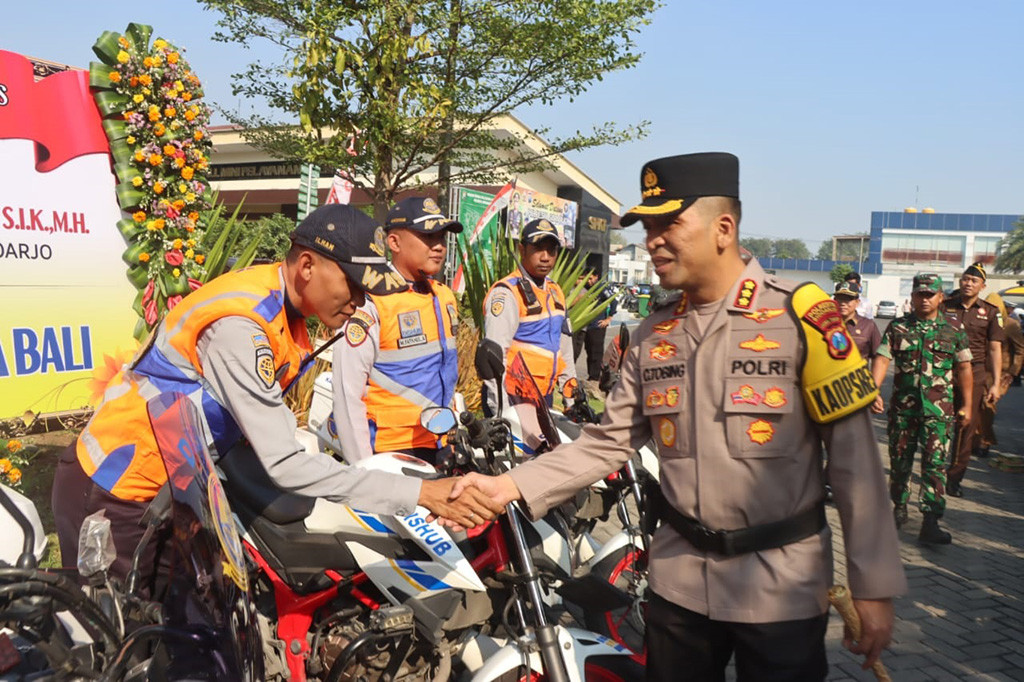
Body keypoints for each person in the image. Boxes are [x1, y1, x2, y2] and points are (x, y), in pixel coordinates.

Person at [453, 152, 905, 680]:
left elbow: (856, 464)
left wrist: (872, 584)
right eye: (647, 227)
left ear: (724, 227)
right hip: (679, 585)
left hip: (782, 587)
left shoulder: (802, 318)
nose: (653, 240)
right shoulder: (654, 334)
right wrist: (506, 486)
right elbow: (605, 442)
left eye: (669, 223)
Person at [51, 204, 502, 593]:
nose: (360, 302)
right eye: (353, 286)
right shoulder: (242, 325)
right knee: (118, 638)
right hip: (116, 490)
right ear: (307, 266)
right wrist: (420, 493)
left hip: (172, 491)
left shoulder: (287, 311)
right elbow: (285, 462)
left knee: (175, 630)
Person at [331, 197, 463, 466]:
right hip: (389, 451)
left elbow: (446, 373)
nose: (438, 245)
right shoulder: (370, 302)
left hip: (441, 444)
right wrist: (365, 471)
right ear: (394, 242)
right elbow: (347, 395)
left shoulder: (444, 296)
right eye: (427, 236)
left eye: (441, 236)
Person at [870, 274, 972, 544]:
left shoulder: (954, 330)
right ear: (913, 297)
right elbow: (882, 358)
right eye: (920, 294)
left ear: (941, 297)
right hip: (904, 410)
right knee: (900, 461)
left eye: (930, 294)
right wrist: (873, 391)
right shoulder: (898, 327)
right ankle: (899, 508)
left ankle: (930, 521)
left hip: (939, 413)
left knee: (935, 465)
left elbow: (964, 368)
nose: (924, 299)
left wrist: (968, 405)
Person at [481, 218, 578, 452]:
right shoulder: (506, 294)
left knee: (546, 468)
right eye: (538, 249)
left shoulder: (555, 292)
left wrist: (571, 399)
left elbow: (563, 350)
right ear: (522, 249)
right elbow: (495, 358)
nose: (546, 257)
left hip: (544, 399)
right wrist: (501, 413)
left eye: (551, 250)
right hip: (513, 399)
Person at [942, 262, 1004, 496]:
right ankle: (935, 471)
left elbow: (995, 349)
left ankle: (954, 477)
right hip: (944, 370)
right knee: (936, 421)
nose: (968, 283)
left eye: (974, 281)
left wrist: (995, 383)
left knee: (966, 426)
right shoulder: (944, 306)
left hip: (975, 374)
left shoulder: (990, 312)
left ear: (982, 286)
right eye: (965, 279)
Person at [977, 292, 1024, 454]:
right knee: (976, 407)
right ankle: (977, 440)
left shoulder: (1010, 325)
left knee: (987, 404)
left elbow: (1020, 348)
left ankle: (985, 441)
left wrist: (1013, 372)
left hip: (1001, 374)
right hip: (980, 370)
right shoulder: (981, 322)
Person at [574, 270, 618, 392]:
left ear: (596, 277)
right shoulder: (583, 288)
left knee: (596, 352)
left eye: (590, 278)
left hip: (598, 325)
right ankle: (590, 376)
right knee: (588, 350)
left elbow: (614, 301)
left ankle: (595, 378)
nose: (588, 281)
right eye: (586, 278)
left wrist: (609, 318)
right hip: (586, 325)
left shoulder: (601, 287)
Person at [834, 280, 881, 360]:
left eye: (848, 299)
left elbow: (878, 356)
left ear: (857, 302)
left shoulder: (868, 326)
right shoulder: (827, 325)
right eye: (840, 299)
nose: (842, 303)